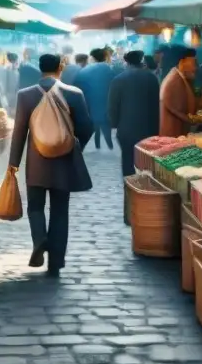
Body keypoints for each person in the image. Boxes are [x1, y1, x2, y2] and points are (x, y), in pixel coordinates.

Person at [9, 54, 94, 276]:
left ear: (40, 68)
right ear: (60, 67)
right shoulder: (74, 94)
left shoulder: (25, 96)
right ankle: (56, 263)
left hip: (36, 163)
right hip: (63, 162)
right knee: (59, 211)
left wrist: (13, 164)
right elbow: (87, 127)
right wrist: (74, 147)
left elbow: (19, 133)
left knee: (35, 207)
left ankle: (39, 240)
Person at [109, 50, 160, 178]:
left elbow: (113, 106)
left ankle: (130, 188)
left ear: (126, 62)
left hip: (127, 130)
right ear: (141, 61)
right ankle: (147, 187)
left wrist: (114, 123)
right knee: (147, 161)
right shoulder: (152, 78)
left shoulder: (118, 79)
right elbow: (156, 103)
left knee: (128, 160)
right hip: (149, 128)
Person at [75, 48, 115, 150]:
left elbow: (78, 89)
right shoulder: (110, 69)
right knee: (106, 126)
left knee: (95, 126)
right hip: (107, 104)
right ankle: (109, 144)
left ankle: (97, 145)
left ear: (92, 58)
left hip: (91, 105)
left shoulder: (84, 71)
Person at [160, 49, 197, 137]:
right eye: (193, 63)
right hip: (173, 136)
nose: (195, 68)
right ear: (182, 62)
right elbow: (182, 113)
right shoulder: (175, 81)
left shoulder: (179, 77)